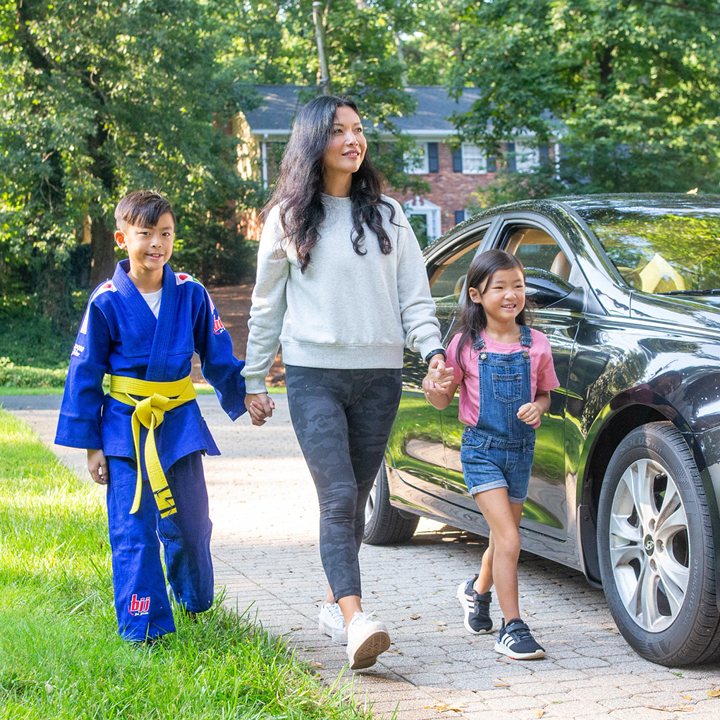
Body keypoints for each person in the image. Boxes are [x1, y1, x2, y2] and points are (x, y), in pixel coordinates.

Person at [242, 95, 450, 670]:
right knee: (337, 497)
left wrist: (432, 351)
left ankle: (334, 603)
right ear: (314, 141)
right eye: (339, 131)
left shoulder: (389, 215)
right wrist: (253, 379)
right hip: (313, 377)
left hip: (380, 377)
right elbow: (267, 307)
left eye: (358, 130)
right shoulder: (286, 218)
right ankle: (358, 621)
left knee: (355, 499)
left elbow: (415, 299)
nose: (353, 140)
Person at [55, 190, 246, 643]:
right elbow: (84, 374)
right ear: (123, 238)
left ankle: (194, 600)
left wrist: (245, 396)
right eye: (146, 234)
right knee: (133, 531)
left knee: (193, 523)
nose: (156, 243)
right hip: (125, 426)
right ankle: (145, 627)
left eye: (166, 233)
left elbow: (217, 354)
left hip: (178, 423)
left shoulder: (192, 293)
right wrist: (92, 446)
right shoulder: (105, 301)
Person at [422, 249, 558, 660]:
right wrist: (434, 386)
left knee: (504, 539)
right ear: (477, 294)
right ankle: (512, 627)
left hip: (520, 452)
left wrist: (538, 407)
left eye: (517, 285)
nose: (511, 294)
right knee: (510, 538)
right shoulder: (465, 344)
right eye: (500, 286)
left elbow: (545, 394)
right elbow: (442, 400)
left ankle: (476, 592)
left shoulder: (537, 343)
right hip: (480, 451)